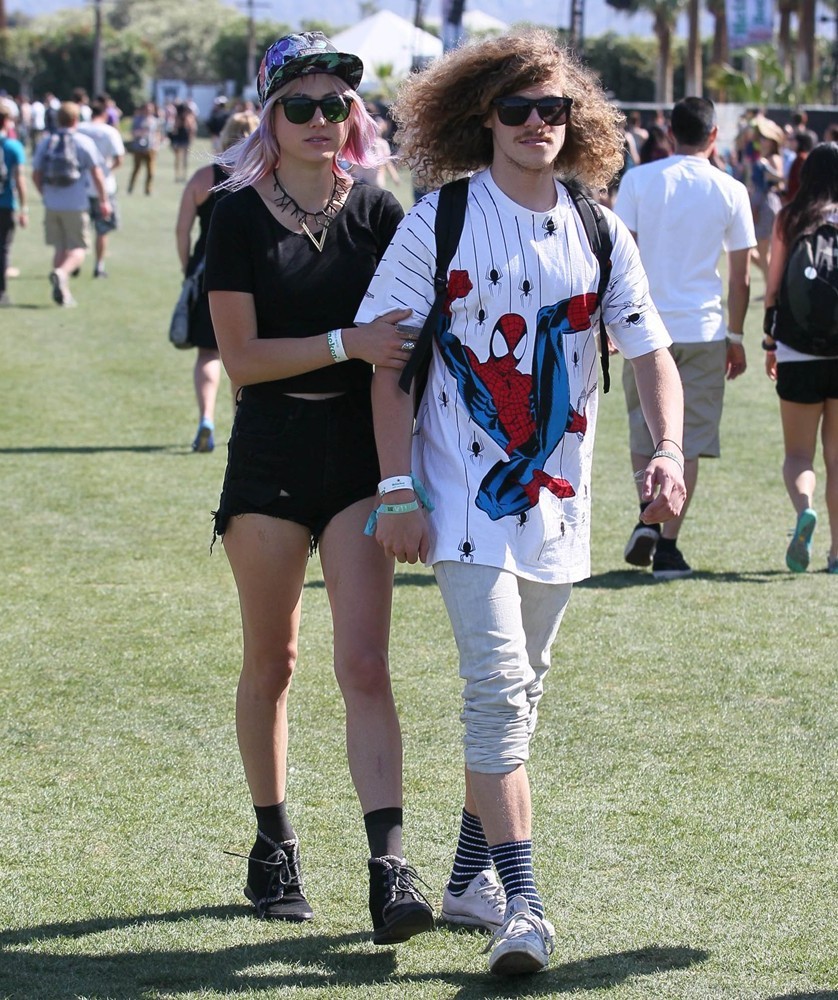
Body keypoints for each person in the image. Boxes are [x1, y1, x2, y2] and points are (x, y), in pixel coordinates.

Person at [357, 29, 686, 975]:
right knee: (497, 691)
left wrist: (666, 449)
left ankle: (468, 879)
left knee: (522, 696)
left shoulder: (599, 226)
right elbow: (388, 359)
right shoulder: (440, 220)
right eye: (517, 109)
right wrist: (395, 488)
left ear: (577, 123)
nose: (538, 125)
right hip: (456, 498)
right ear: (482, 118)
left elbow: (650, 348)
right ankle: (525, 910)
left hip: (558, 500)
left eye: (555, 110)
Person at [204, 31, 434, 942]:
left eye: (337, 104)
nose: (320, 121)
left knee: (365, 665)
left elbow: (406, 345)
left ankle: (390, 867)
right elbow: (243, 360)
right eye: (300, 105)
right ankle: (274, 844)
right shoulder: (234, 212)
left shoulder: (377, 211)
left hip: (353, 456)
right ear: (269, 112)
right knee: (276, 660)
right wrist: (347, 342)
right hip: (267, 457)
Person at [615, 97, 756, 578]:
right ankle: (668, 543)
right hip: (703, 327)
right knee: (686, 438)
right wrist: (737, 334)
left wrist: (611, 322)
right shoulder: (731, 188)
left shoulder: (638, 180)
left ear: (669, 133)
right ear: (715, 136)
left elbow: (621, 256)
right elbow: (740, 278)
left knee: (643, 426)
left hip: (644, 325)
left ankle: (646, 514)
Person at [763, 142, 838, 575]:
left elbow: (773, 288)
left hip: (797, 348)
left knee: (799, 455)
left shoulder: (791, 218)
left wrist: (769, 343)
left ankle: (804, 509)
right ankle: (835, 554)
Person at [175, 110, 259, 452]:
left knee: (208, 353)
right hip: (254, 277)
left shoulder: (203, 177)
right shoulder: (264, 177)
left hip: (208, 275)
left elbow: (182, 230)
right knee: (249, 360)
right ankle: (241, 425)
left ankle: (206, 418)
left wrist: (188, 270)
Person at [32, 101, 111, 307]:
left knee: (59, 248)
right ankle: (61, 273)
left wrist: (44, 193)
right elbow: (97, 173)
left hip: (52, 203)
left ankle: (63, 294)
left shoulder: (46, 142)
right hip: (76, 204)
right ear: (76, 119)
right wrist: (104, 200)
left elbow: (36, 173)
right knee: (78, 249)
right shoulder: (83, 142)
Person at [78, 99, 125, 277]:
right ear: (105, 114)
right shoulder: (109, 131)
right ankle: (99, 266)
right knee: (102, 229)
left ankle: (75, 262)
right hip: (104, 186)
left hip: (81, 185)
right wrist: (107, 170)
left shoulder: (80, 128)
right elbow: (119, 158)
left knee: (80, 228)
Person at [0, 108, 29, 306]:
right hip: (5, 203)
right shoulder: (13, 146)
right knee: (3, 248)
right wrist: (24, 207)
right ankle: (1, 293)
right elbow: (19, 179)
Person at [127, 102, 162, 195]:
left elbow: (157, 133)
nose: (148, 111)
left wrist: (157, 144)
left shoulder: (155, 120)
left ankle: (148, 190)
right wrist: (140, 132)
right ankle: (130, 188)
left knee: (151, 171)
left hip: (151, 148)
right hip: (138, 147)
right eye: (147, 109)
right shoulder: (137, 120)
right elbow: (132, 133)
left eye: (150, 109)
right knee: (136, 169)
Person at [169, 101, 197, 182]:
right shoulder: (179, 118)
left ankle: (183, 175)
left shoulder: (187, 118)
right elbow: (175, 129)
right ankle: (178, 175)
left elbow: (191, 129)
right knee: (179, 158)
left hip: (184, 139)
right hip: (180, 139)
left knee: (183, 159)